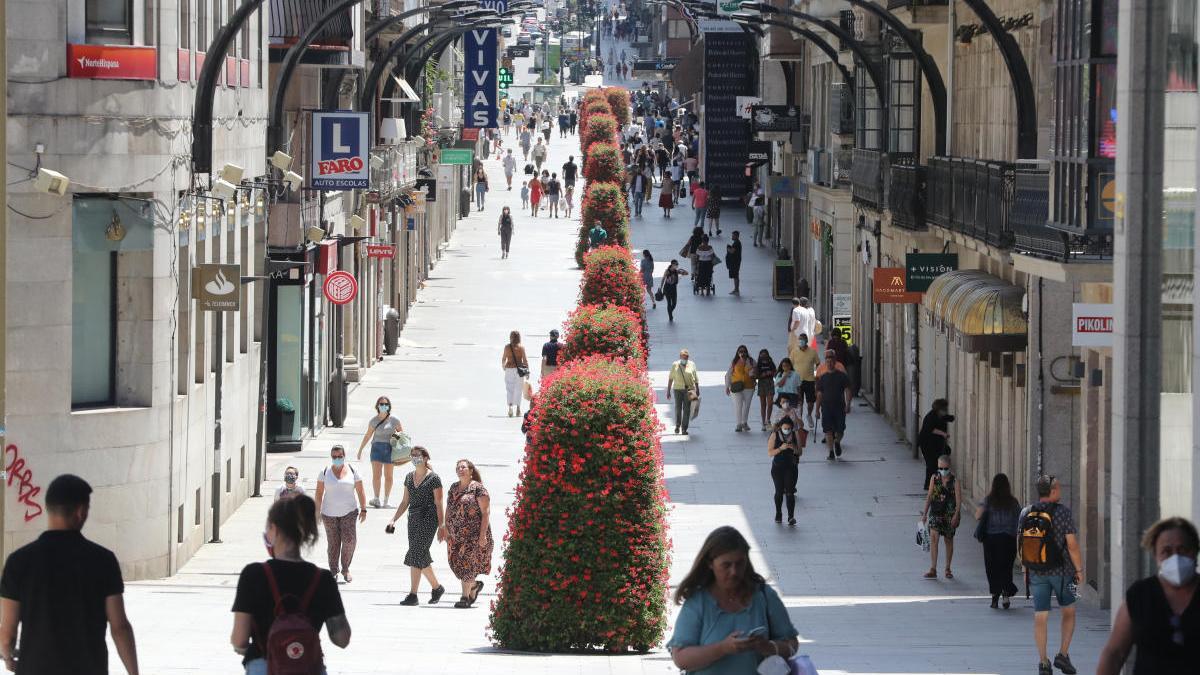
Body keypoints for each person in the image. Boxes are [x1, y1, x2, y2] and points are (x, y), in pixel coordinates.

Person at [0, 474, 139, 675]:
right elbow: (119, 627)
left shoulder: (18, 561)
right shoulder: (103, 560)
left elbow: (7, 632)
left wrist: (7, 656)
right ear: (81, 511)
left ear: (48, 508)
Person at [231, 495, 350, 674]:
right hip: (308, 667)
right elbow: (342, 638)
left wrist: (242, 648)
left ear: (274, 529)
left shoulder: (253, 574)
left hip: (264, 666)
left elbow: (239, 638)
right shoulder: (323, 579)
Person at [668, 526, 799, 674]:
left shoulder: (764, 595)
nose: (734, 572)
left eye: (740, 563)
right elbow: (680, 658)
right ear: (710, 564)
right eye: (726, 565)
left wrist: (767, 647)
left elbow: (792, 644)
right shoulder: (698, 602)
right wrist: (723, 648)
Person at [1097, 517, 1200, 674]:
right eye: (1167, 551)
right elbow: (1115, 653)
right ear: (1156, 556)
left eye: (1183, 550)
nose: (1175, 557)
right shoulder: (1140, 595)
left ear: (1195, 552)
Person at [1021, 475, 1084, 675]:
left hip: (1037, 571)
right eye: (1059, 487)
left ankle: (1043, 662)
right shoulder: (1063, 512)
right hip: (1064, 571)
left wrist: (1026, 570)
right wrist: (1080, 570)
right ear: (1053, 491)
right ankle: (1063, 654)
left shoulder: (1027, 512)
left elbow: (1021, 543)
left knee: (1040, 616)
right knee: (1069, 611)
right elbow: (1072, 545)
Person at [386, 446, 447, 606]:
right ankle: (437, 588)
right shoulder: (408, 477)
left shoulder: (434, 478)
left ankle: (413, 595)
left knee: (416, 552)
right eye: (412, 455)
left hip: (429, 518)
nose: (414, 458)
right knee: (419, 554)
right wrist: (393, 519)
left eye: (417, 455)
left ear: (426, 458)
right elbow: (405, 501)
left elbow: (439, 502)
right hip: (413, 519)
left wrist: (442, 526)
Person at [445, 459, 494, 609]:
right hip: (455, 535)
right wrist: (445, 528)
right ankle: (474, 586)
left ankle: (464, 597)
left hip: (474, 535)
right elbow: (448, 509)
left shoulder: (479, 489)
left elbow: (486, 513)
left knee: (467, 564)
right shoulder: (454, 488)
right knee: (456, 564)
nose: (460, 469)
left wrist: (482, 536)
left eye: (463, 467)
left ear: (471, 471)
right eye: (458, 467)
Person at [315, 445, 367, 583]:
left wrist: (363, 509)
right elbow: (319, 493)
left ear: (344, 456)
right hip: (329, 513)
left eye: (339, 456)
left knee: (350, 540)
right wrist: (317, 511)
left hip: (349, 512)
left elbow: (360, 490)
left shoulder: (352, 470)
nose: (337, 459)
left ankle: (345, 568)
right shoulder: (325, 472)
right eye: (334, 457)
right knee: (333, 543)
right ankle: (333, 570)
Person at [976, 473, 1021, 608]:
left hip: (991, 539)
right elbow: (1020, 519)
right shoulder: (1013, 502)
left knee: (992, 568)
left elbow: (978, 515)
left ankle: (994, 597)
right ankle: (1006, 595)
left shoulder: (988, 500)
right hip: (1008, 540)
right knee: (1006, 568)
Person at [355, 395, 404, 508]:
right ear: (377, 406)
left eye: (386, 404)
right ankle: (376, 498)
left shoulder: (394, 420)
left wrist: (394, 439)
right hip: (376, 448)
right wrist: (360, 450)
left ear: (389, 406)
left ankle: (386, 500)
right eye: (381, 404)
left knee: (389, 476)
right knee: (377, 475)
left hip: (390, 449)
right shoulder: (373, 420)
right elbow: (368, 436)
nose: (384, 406)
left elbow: (401, 434)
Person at [921, 455, 962, 581]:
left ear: (949, 467)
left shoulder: (955, 481)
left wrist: (956, 515)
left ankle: (947, 568)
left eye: (945, 468)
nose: (942, 470)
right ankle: (933, 568)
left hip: (949, 514)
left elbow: (959, 500)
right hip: (935, 512)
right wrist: (925, 513)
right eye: (940, 468)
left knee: (948, 540)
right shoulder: (935, 478)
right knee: (934, 538)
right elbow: (929, 496)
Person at [814, 350, 851, 460]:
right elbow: (819, 394)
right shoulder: (823, 378)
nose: (829, 363)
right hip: (826, 408)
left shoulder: (842, 376)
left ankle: (837, 442)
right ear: (825, 363)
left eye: (831, 361)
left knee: (840, 430)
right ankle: (831, 452)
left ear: (835, 362)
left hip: (839, 407)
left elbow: (848, 389)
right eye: (827, 361)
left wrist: (848, 403)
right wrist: (817, 410)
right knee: (828, 430)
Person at [768, 417, 802, 525]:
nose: (787, 430)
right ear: (780, 427)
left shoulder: (795, 435)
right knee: (779, 491)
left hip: (791, 467)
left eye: (789, 428)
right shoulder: (775, 435)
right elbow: (770, 453)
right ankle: (778, 513)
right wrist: (780, 448)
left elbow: (800, 452)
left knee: (790, 492)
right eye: (785, 428)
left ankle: (791, 516)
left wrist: (794, 448)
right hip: (777, 468)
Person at [917, 399, 953, 489]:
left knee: (946, 452)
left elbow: (947, 418)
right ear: (939, 409)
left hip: (935, 443)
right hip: (926, 444)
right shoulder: (931, 417)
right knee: (931, 464)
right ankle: (928, 485)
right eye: (944, 408)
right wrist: (944, 434)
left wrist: (952, 418)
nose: (945, 410)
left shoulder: (939, 415)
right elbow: (931, 429)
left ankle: (935, 482)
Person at [788, 335, 820, 429]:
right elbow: (790, 364)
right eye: (800, 340)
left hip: (810, 380)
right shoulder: (794, 352)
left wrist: (816, 374)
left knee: (810, 402)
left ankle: (809, 415)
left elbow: (818, 363)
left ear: (806, 341)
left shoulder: (813, 352)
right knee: (799, 402)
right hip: (798, 381)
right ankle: (799, 421)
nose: (801, 341)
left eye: (803, 340)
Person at [666, 349, 699, 435]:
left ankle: (684, 428)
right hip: (677, 389)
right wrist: (668, 391)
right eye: (683, 357)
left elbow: (695, 377)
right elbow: (670, 378)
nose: (685, 359)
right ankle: (677, 425)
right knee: (678, 408)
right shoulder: (675, 365)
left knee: (687, 409)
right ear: (680, 357)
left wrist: (697, 388)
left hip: (689, 390)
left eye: (686, 357)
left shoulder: (692, 364)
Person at [724, 345, 756, 433]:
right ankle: (738, 424)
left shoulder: (751, 361)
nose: (742, 353)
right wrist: (727, 386)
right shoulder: (734, 362)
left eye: (744, 351)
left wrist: (746, 363)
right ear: (737, 353)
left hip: (748, 387)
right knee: (738, 405)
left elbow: (753, 373)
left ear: (747, 352)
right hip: (736, 386)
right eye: (740, 352)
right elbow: (728, 374)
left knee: (747, 406)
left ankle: (744, 422)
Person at [501, 331, 528, 417]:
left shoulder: (507, 347)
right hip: (519, 370)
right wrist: (527, 372)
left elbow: (504, 359)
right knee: (518, 389)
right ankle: (518, 409)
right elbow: (525, 360)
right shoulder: (521, 348)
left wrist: (504, 367)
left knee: (509, 389)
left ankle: (510, 408)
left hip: (509, 369)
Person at [754, 349, 777, 431]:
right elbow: (756, 375)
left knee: (770, 403)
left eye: (765, 355)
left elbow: (776, 373)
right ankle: (763, 422)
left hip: (770, 383)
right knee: (763, 404)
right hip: (762, 383)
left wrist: (771, 373)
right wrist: (762, 375)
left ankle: (768, 420)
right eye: (762, 355)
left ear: (768, 355)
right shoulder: (758, 364)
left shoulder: (771, 363)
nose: (763, 356)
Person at [726, 231, 742, 295]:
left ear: (736, 236)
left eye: (733, 236)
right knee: (736, 275)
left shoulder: (736, 243)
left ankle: (736, 289)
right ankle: (736, 289)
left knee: (735, 275)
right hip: (737, 261)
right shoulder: (737, 243)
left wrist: (728, 249)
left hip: (735, 261)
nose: (732, 237)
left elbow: (732, 251)